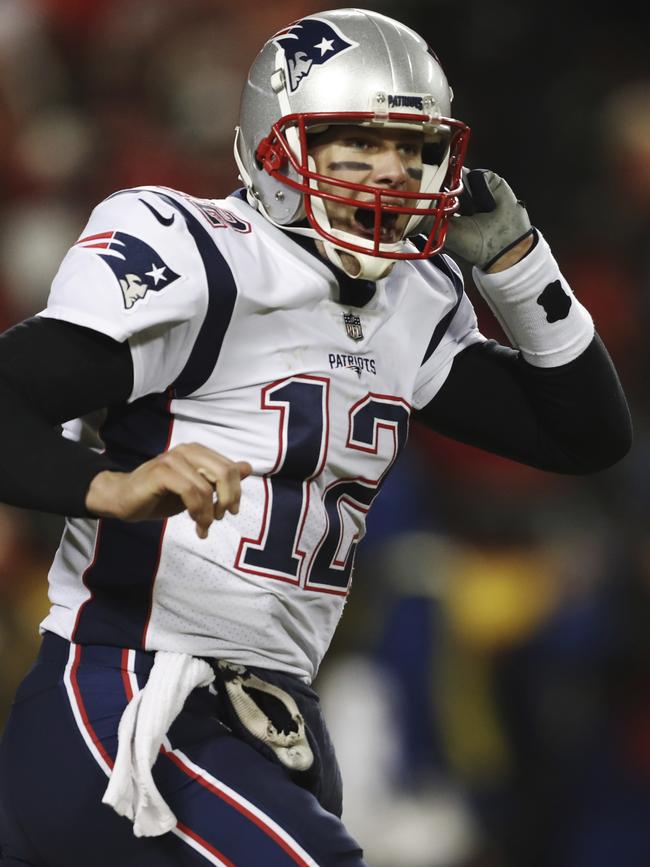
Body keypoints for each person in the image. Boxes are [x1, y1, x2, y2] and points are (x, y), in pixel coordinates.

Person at [0, 8, 631, 867]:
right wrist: (104, 483)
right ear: (277, 148)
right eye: (358, 145)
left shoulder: (415, 297)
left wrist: (521, 264)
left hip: (271, 717)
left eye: (412, 148)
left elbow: (585, 432)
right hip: (126, 696)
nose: (392, 172)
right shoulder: (201, 253)